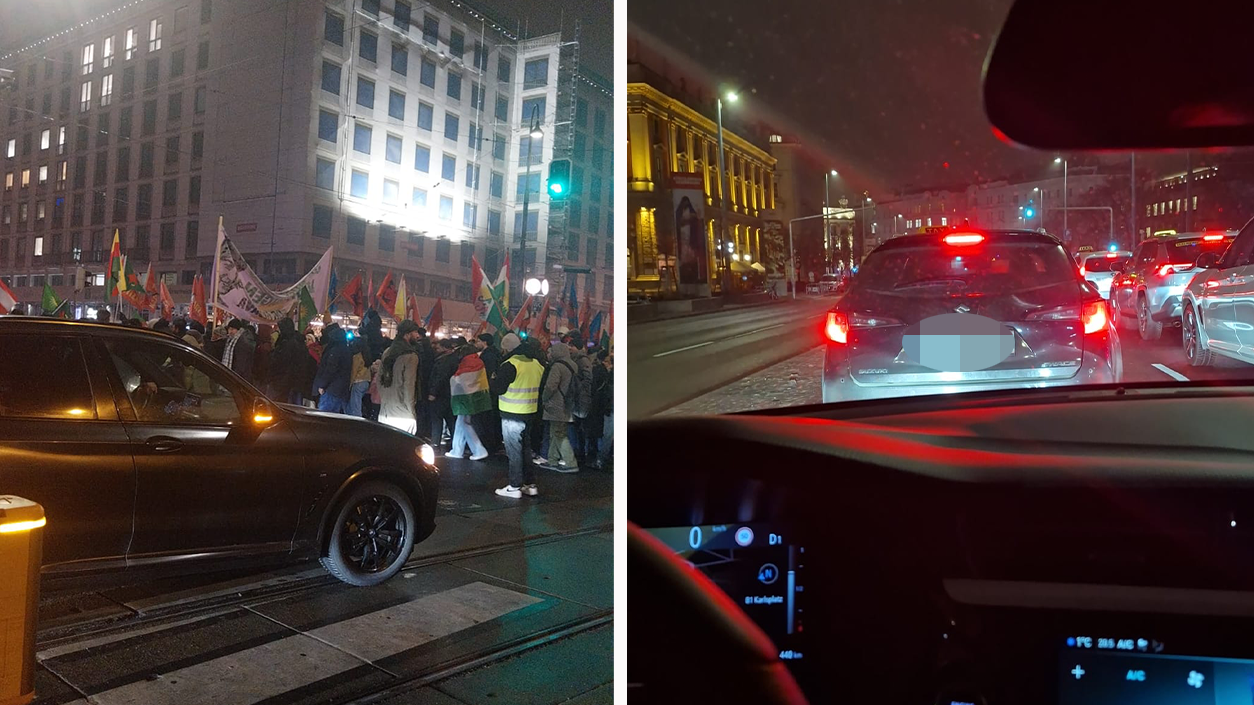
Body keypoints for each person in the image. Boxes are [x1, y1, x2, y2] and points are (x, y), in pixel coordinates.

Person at [491, 334, 544, 498]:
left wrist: (493, 379)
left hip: (511, 413)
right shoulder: (537, 364)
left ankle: (514, 486)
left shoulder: (510, 364)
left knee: (513, 451)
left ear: (507, 348)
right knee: (526, 450)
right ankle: (530, 484)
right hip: (530, 411)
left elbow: (499, 389)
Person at [541, 337, 580, 473]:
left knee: (558, 433)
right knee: (556, 432)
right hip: (568, 403)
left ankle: (570, 463)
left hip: (556, 403)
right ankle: (552, 459)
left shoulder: (557, 366)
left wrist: (544, 398)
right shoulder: (573, 365)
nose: (550, 354)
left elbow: (551, 386)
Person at [448, 338, 490, 460]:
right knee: (461, 422)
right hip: (477, 396)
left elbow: (459, 380)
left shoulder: (467, 364)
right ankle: (457, 450)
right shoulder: (479, 362)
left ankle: (479, 450)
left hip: (465, 398)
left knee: (465, 423)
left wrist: (453, 378)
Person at [377, 320, 423, 434]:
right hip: (402, 413)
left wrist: (384, 397)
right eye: (415, 332)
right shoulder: (410, 356)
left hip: (385, 410)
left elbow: (379, 379)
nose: (417, 335)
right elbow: (409, 385)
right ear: (407, 334)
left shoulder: (388, 351)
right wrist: (411, 411)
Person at [472, 333, 504, 453]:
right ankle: (493, 444)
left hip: (487, 392)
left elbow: (487, 375)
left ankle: (488, 445)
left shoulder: (488, 357)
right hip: (492, 392)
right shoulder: (494, 354)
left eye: (478, 341)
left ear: (484, 342)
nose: (476, 344)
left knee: (487, 420)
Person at [428, 338, 460, 452]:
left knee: (437, 419)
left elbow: (439, 377)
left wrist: (433, 392)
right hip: (451, 394)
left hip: (441, 395)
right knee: (451, 420)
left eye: (438, 348)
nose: (436, 350)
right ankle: (456, 443)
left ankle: (435, 442)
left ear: (444, 348)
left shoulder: (443, 361)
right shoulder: (455, 359)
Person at [267, 318, 309, 405]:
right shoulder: (299, 341)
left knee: (274, 405)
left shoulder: (287, 343)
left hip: (282, 382)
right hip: (293, 382)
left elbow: (281, 362)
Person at [312, 323, 352, 413]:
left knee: (324, 415)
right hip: (341, 389)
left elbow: (330, 370)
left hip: (331, 389)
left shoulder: (334, 351)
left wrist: (322, 385)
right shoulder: (347, 350)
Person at [584, 347, 611, 470]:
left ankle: (597, 457)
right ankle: (600, 457)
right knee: (602, 434)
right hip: (601, 408)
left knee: (600, 434)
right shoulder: (603, 372)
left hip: (598, 407)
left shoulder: (599, 371)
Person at [221, 319, 257, 383]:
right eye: (229, 329)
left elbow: (241, 363)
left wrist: (235, 377)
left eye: (232, 329)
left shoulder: (243, 342)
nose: (230, 331)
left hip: (241, 377)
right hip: (237, 374)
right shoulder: (231, 340)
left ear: (238, 330)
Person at [346, 335, 373, 418]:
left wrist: (349, 385)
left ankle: (357, 422)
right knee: (358, 403)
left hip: (358, 382)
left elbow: (354, 372)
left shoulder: (357, 356)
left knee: (355, 407)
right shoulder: (367, 355)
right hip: (366, 381)